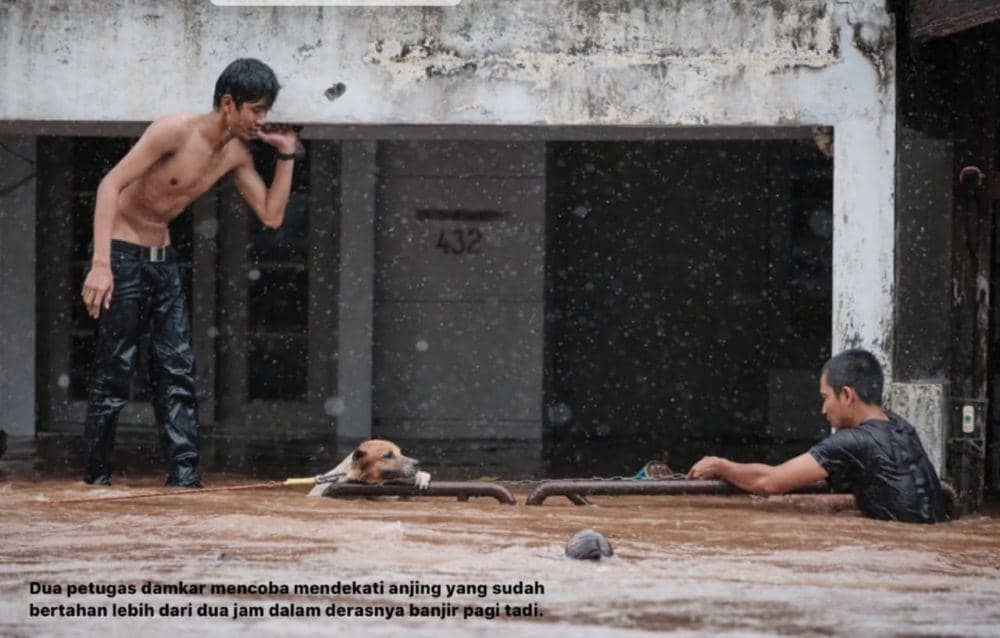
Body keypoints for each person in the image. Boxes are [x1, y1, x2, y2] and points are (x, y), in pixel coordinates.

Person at [80, 59, 299, 487]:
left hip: (163, 261)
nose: (261, 120)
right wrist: (100, 265)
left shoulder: (235, 154)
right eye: (255, 109)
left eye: (265, 111)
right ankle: (96, 480)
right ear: (228, 103)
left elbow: (271, 215)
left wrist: (287, 154)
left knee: (176, 369)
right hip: (121, 255)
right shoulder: (174, 131)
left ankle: (184, 481)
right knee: (114, 371)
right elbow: (110, 185)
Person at [687, 349, 949, 523]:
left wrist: (721, 466)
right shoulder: (902, 428)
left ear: (846, 395)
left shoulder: (851, 442)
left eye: (825, 397)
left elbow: (770, 482)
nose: (823, 409)